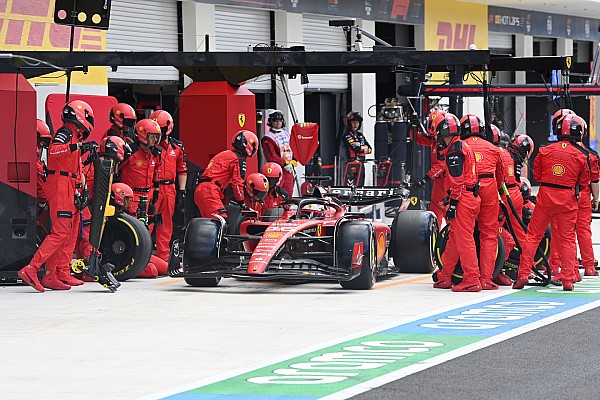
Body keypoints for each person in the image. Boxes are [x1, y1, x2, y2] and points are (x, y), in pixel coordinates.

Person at [19, 100, 96, 292]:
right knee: (61, 231)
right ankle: (32, 268)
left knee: (69, 230)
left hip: (68, 184)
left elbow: (75, 167)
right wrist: (78, 147)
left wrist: (81, 189)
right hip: (59, 183)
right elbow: (54, 151)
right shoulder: (65, 132)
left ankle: (58, 272)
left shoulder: (74, 136)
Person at [513, 114, 590, 291]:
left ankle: (523, 274)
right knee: (567, 239)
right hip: (567, 198)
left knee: (533, 236)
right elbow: (584, 181)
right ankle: (568, 279)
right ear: (578, 133)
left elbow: (537, 174)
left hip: (546, 195)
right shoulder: (581, 154)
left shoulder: (545, 149)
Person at [432, 113, 482, 292]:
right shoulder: (460, 146)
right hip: (468, 197)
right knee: (455, 238)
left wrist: (452, 204)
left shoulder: (454, 150)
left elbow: (457, 180)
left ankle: (472, 279)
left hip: (463, 199)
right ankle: (445, 275)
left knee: (464, 240)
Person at [459, 114, 504, 290]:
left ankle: (470, 277)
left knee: (463, 234)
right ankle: (487, 278)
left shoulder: (460, 146)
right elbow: (500, 177)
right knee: (489, 234)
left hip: (467, 190)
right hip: (490, 189)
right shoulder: (493, 148)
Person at [119, 118, 163, 278]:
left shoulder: (155, 154)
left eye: (156, 137)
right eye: (152, 137)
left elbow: (156, 172)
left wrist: (156, 192)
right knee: (132, 230)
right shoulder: (130, 151)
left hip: (147, 195)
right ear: (143, 135)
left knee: (147, 229)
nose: (155, 141)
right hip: (130, 196)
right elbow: (115, 168)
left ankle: (144, 258)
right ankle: (131, 259)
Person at [149, 110, 188, 263]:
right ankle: (142, 253)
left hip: (170, 188)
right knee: (149, 221)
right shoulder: (150, 146)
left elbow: (182, 169)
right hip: (153, 187)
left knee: (166, 223)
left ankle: (163, 257)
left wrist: (182, 192)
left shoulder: (177, 147)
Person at [194, 130, 259, 219]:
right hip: (210, 190)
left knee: (208, 223)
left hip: (201, 190)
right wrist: (242, 203)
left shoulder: (225, 154)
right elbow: (237, 183)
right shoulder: (238, 159)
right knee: (220, 220)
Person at [414, 109, 447, 227]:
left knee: (449, 212)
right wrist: (413, 126)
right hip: (440, 181)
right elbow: (417, 138)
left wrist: (425, 180)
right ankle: (435, 237)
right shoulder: (435, 140)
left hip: (448, 181)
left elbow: (441, 165)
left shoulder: (445, 142)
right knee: (435, 211)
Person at [261, 110, 295, 196]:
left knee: (288, 195)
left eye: (280, 120)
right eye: (275, 120)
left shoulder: (287, 134)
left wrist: (294, 161)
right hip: (276, 170)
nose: (278, 122)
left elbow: (294, 147)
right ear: (270, 121)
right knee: (276, 194)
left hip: (289, 169)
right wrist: (284, 164)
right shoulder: (267, 138)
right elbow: (271, 156)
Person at [342, 111, 372, 186]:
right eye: (353, 122)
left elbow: (370, 149)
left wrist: (362, 147)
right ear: (350, 123)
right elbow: (355, 148)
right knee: (352, 185)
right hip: (352, 164)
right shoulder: (347, 136)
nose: (355, 124)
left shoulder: (360, 135)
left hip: (361, 163)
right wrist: (363, 148)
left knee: (361, 185)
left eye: (357, 122)